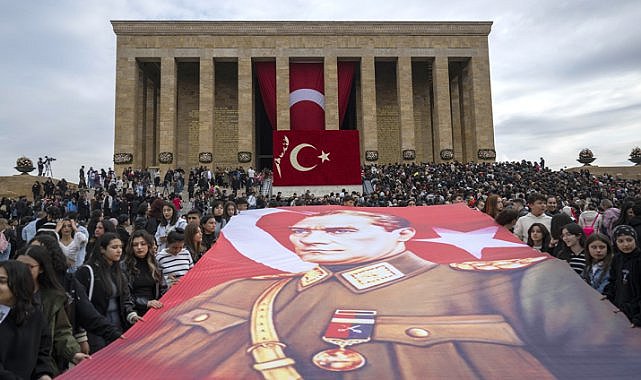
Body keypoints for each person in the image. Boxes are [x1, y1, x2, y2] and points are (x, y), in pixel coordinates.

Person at [119, 209, 641, 379]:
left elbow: (610, 363)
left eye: (341, 230)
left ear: (401, 233)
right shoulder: (242, 291)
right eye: (303, 232)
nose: (313, 236)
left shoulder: (514, 285)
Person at [16, 246, 90, 374]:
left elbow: (61, 332)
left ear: (41, 269)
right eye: (19, 265)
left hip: (42, 364)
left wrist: (73, 353)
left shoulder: (52, 298)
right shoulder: (7, 293)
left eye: (30, 267)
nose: (23, 271)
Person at [75, 233, 141, 353]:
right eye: (114, 247)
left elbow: (125, 299)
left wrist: (131, 314)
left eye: (120, 247)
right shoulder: (87, 272)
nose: (119, 251)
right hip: (96, 330)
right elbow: (80, 305)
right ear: (102, 249)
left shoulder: (119, 272)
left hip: (118, 326)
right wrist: (81, 336)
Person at [0, 260, 55, 379]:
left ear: (19, 283)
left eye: (2, 281)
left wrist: (44, 374)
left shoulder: (35, 316)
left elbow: (42, 353)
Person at [121, 230, 165, 317]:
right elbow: (125, 296)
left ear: (149, 245)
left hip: (155, 309)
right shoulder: (124, 266)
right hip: (134, 311)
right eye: (135, 245)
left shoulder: (155, 263)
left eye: (143, 244)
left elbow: (163, 288)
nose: (139, 247)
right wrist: (146, 303)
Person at [605, 225, 641, 326]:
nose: (625, 244)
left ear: (635, 240)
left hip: (636, 314)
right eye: (620, 241)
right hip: (620, 311)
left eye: (629, 240)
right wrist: (608, 294)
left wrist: (639, 318)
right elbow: (613, 281)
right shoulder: (617, 259)